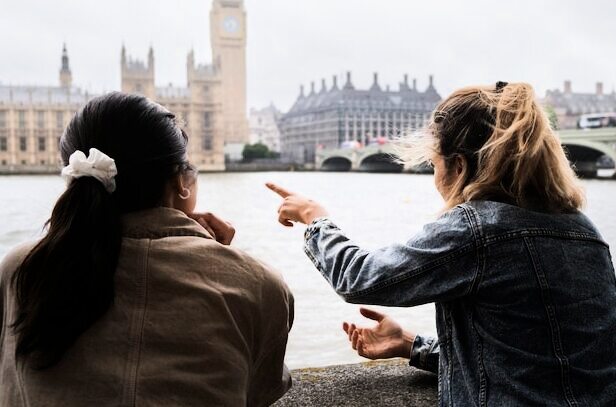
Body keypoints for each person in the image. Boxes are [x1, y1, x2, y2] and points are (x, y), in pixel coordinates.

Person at [267, 82, 616, 405]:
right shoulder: (586, 232)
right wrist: (408, 345)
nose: (435, 178)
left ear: (459, 167)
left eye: (435, 165)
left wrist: (315, 219)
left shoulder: (477, 228)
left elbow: (360, 278)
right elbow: (533, 362)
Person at [0, 92, 293, 407]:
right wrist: (222, 259)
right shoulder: (259, 284)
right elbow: (258, 389)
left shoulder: (20, 269)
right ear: (181, 180)